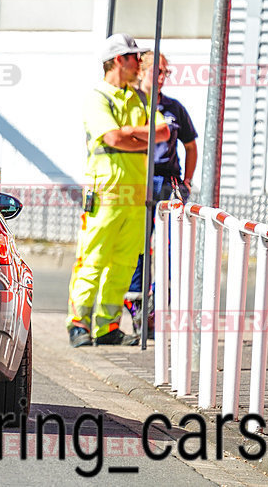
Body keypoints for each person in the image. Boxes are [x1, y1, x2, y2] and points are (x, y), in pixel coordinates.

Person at [67, 33, 170, 347]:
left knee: (124, 263)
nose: (141, 63)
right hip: (106, 194)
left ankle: (108, 326)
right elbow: (112, 138)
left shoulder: (139, 97)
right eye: (135, 57)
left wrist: (129, 133)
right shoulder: (98, 96)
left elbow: (164, 131)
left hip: (137, 197)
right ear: (118, 60)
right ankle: (79, 325)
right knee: (93, 260)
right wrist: (139, 136)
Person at [124, 52, 199, 335]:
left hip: (168, 182)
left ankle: (159, 305)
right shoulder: (130, 103)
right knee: (137, 245)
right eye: (157, 71)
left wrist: (187, 180)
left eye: (166, 72)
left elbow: (191, 146)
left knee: (170, 247)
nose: (162, 77)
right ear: (141, 70)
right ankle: (137, 305)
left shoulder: (173, 108)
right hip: (138, 181)